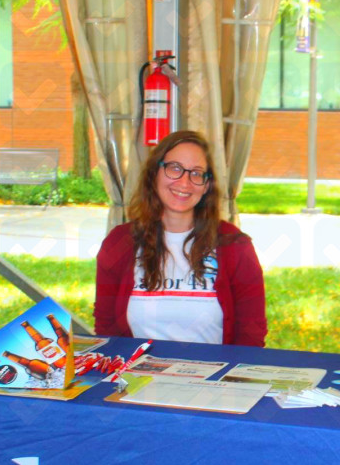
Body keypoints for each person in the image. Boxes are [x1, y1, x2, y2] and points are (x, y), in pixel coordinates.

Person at [95, 131, 268, 346]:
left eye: (196, 173)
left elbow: (251, 334)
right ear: (154, 173)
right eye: (174, 168)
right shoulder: (119, 243)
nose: (185, 182)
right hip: (138, 376)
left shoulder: (235, 245)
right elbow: (106, 327)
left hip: (212, 376)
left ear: (206, 186)